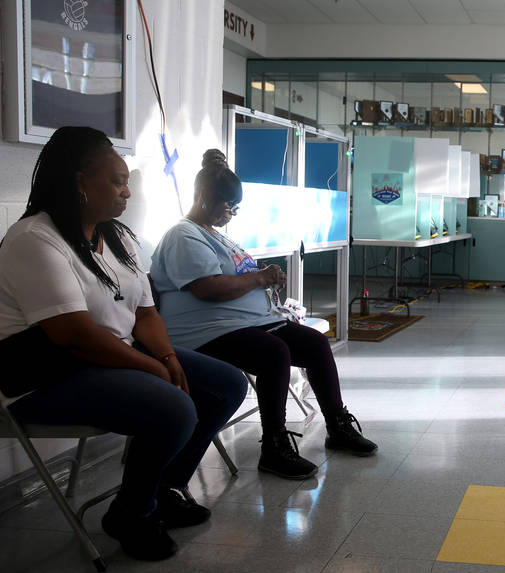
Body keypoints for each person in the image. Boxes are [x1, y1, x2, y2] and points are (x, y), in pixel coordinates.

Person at [0, 127, 248, 561]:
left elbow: (146, 313)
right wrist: (153, 368)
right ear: (79, 182)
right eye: (117, 182)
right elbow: (72, 334)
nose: (127, 193)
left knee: (226, 385)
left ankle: (165, 487)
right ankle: (131, 513)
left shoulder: (117, 236)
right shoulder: (34, 240)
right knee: (173, 406)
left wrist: (167, 356)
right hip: (45, 375)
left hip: (108, 357)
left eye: (126, 181)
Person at [150, 150, 377, 481]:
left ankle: (337, 426)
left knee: (314, 344)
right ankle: (273, 446)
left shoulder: (217, 236)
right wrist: (259, 278)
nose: (231, 213)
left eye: (235, 207)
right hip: (203, 333)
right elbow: (207, 288)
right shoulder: (183, 234)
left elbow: (236, 276)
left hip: (243, 324)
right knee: (275, 353)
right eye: (227, 205)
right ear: (202, 197)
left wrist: (264, 276)